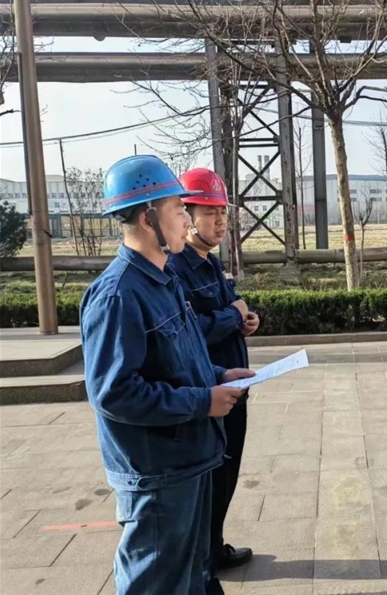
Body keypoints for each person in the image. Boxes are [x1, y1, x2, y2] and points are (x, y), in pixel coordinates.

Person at [80, 155, 254, 595]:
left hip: (190, 459)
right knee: (156, 583)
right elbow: (115, 393)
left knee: (194, 576)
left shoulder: (162, 281)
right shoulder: (118, 296)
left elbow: (181, 357)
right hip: (159, 473)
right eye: (179, 209)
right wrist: (203, 401)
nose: (187, 220)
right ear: (147, 217)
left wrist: (218, 375)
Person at [167, 168, 257, 590]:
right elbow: (189, 331)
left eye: (223, 213)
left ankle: (214, 546)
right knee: (211, 478)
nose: (220, 222)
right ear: (186, 216)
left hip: (232, 386)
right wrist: (232, 316)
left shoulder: (212, 263)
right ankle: (204, 559)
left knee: (228, 474)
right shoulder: (177, 268)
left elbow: (229, 310)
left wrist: (246, 320)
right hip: (208, 390)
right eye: (210, 213)